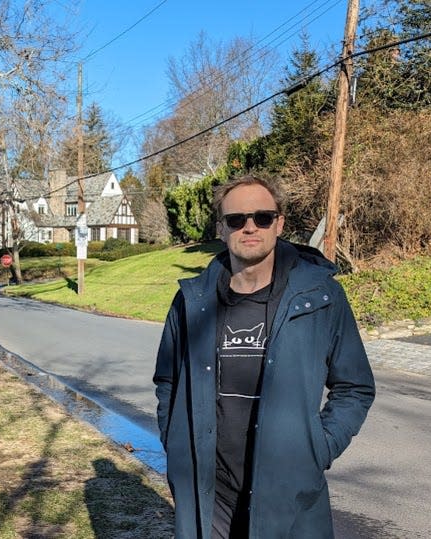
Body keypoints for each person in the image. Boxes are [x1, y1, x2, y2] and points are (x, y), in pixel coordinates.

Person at [153, 175, 375, 538]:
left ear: (280, 223)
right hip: (210, 494)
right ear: (222, 229)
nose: (250, 227)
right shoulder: (191, 302)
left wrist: (318, 448)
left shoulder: (321, 298)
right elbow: (168, 381)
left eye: (263, 217)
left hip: (288, 488)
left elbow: (355, 387)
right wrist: (177, 445)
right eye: (236, 219)